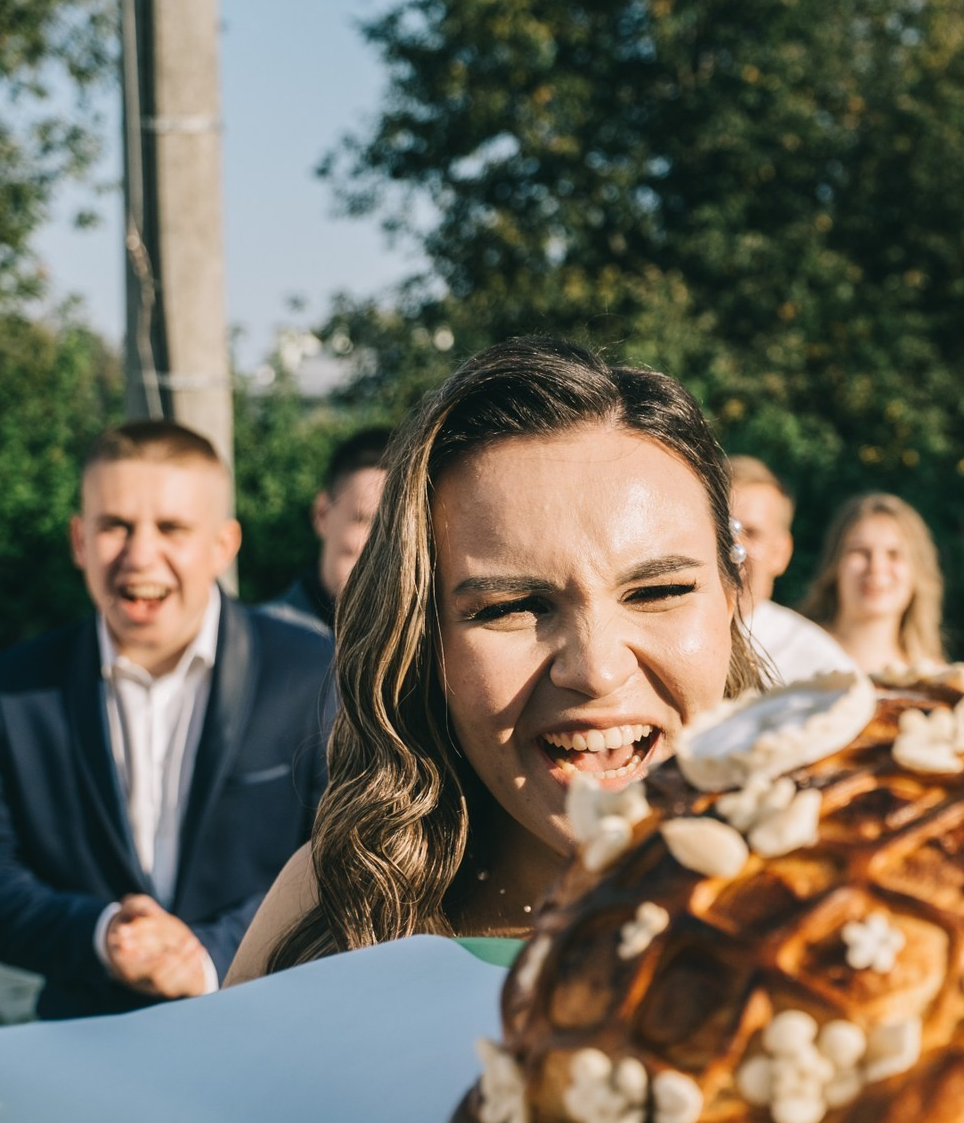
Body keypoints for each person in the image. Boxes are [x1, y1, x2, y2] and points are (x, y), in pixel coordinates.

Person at [227, 338, 764, 979]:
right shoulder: (332, 910)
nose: (596, 670)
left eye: (657, 592)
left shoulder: (868, 892)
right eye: (513, 606)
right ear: (423, 638)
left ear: (732, 601)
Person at [0, 421, 335, 1018]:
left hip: (266, 1023)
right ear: (79, 539)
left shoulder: (313, 673)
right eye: (114, 526)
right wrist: (103, 934)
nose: (140, 555)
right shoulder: (16, 687)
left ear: (223, 546)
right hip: (87, 1038)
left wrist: (208, 954)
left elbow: (350, 857)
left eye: (172, 527)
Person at [725, 455, 857, 684]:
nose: (732, 546)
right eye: (721, 528)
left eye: (752, 533)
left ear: (781, 553)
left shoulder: (821, 667)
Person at [263, 427, 393, 635]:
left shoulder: (434, 646)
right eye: (365, 520)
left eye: (396, 528)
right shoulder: (262, 642)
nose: (381, 545)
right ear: (322, 514)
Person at [801, 491, 947, 675]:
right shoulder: (796, 652)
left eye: (894, 554)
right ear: (835, 564)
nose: (876, 567)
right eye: (860, 551)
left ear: (918, 572)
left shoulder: (935, 677)